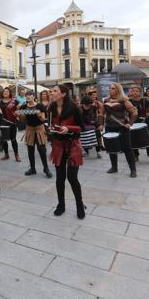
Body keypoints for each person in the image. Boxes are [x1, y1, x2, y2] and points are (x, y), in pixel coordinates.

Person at [48, 85, 86, 219]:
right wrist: (51, 129)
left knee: (72, 177)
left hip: (72, 145)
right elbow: (51, 124)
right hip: (58, 145)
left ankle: (79, 205)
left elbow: (82, 127)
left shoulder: (74, 107)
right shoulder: (51, 108)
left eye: (54, 91)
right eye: (51, 91)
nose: (51, 93)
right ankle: (61, 205)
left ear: (63, 94)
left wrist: (68, 128)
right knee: (59, 178)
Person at [99, 82, 138, 177]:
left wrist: (130, 123)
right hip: (109, 126)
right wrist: (101, 124)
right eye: (109, 88)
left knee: (127, 149)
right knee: (111, 148)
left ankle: (133, 170)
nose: (110, 90)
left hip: (122, 127)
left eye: (112, 88)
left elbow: (134, 112)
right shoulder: (106, 100)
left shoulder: (124, 100)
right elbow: (101, 114)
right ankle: (114, 167)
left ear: (118, 90)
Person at [19, 91, 52, 178]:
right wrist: (20, 114)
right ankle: (32, 168)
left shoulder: (39, 106)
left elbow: (43, 119)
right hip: (29, 129)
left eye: (30, 95)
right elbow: (22, 120)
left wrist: (39, 115)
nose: (28, 97)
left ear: (34, 96)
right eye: (27, 96)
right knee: (30, 150)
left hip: (39, 128)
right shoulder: (24, 106)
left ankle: (46, 168)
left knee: (42, 149)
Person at [129, 86, 149, 164]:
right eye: (133, 91)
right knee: (133, 139)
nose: (135, 92)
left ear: (140, 92)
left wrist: (146, 116)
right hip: (133, 122)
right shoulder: (129, 101)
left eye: (137, 91)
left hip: (144, 122)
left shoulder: (145, 101)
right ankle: (135, 156)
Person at [0, 87, 22, 162]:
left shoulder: (14, 101)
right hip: (2, 123)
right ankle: (6, 154)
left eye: (7, 91)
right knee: (4, 139)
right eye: (4, 91)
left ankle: (16, 155)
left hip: (12, 122)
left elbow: (20, 105)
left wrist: (18, 111)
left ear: (10, 93)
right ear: (2, 93)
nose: (5, 92)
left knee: (13, 139)